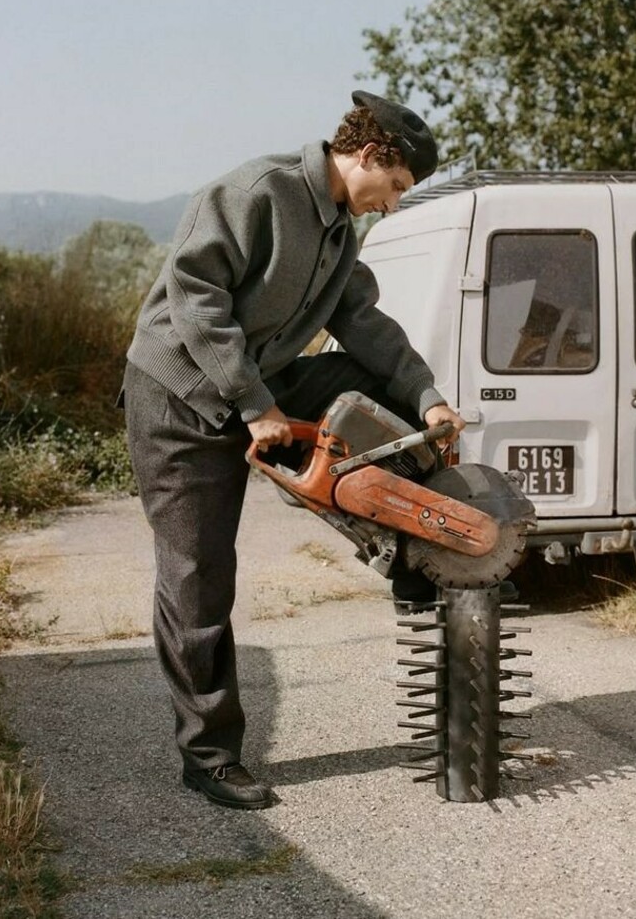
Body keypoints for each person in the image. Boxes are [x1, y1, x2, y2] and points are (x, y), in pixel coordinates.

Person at [122, 90, 466, 811]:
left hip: (262, 388)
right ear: (372, 156)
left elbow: (364, 323)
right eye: (398, 188)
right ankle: (209, 756)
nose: (394, 206)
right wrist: (255, 406)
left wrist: (428, 397)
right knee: (199, 578)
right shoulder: (257, 192)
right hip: (178, 398)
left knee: (380, 382)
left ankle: (415, 552)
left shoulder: (340, 231)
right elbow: (196, 297)